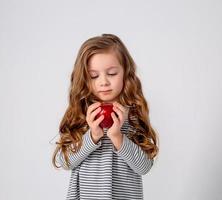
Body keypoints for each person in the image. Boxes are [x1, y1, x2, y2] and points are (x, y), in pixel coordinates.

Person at [52, 33, 159, 200]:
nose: (103, 82)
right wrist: (92, 136)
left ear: (125, 73)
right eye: (94, 76)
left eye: (112, 73)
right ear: (84, 78)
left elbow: (144, 167)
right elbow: (65, 162)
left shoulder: (133, 116)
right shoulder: (81, 115)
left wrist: (118, 137)